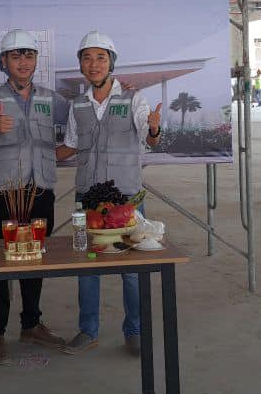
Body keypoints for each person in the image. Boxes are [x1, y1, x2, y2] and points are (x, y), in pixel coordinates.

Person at [55, 31, 162, 357]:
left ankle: (135, 330)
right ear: (81, 65)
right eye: (87, 58)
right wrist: (35, 152)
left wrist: (154, 128)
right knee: (87, 265)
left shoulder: (134, 99)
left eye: (100, 57)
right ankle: (88, 330)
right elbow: (70, 146)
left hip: (125, 197)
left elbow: (149, 136)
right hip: (87, 198)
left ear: (111, 63)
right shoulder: (78, 105)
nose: (94, 64)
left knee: (132, 269)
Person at [0, 29, 69, 364]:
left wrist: (119, 94)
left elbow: (81, 120)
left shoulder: (51, 99)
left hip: (40, 190)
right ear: (4, 62)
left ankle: (31, 325)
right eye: (16, 56)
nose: (23, 62)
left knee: (36, 260)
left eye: (29, 55)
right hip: (5, 192)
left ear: (36, 61)